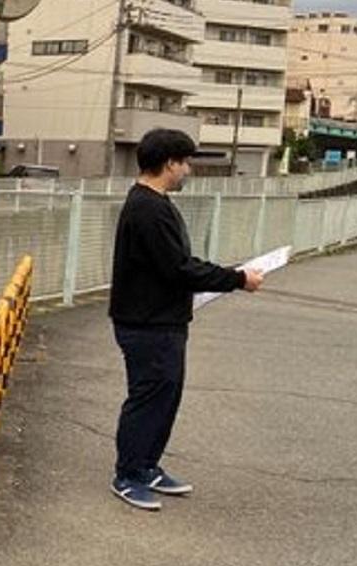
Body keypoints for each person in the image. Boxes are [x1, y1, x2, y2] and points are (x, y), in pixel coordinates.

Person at [108, 128, 264, 511]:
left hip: (161, 320)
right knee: (148, 397)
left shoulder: (154, 204)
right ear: (169, 164)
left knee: (166, 395)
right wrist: (237, 279)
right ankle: (128, 473)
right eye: (185, 163)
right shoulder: (148, 209)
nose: (188, 171)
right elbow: (179, 268)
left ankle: (147, 465)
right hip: (147, 323)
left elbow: (175, 266)